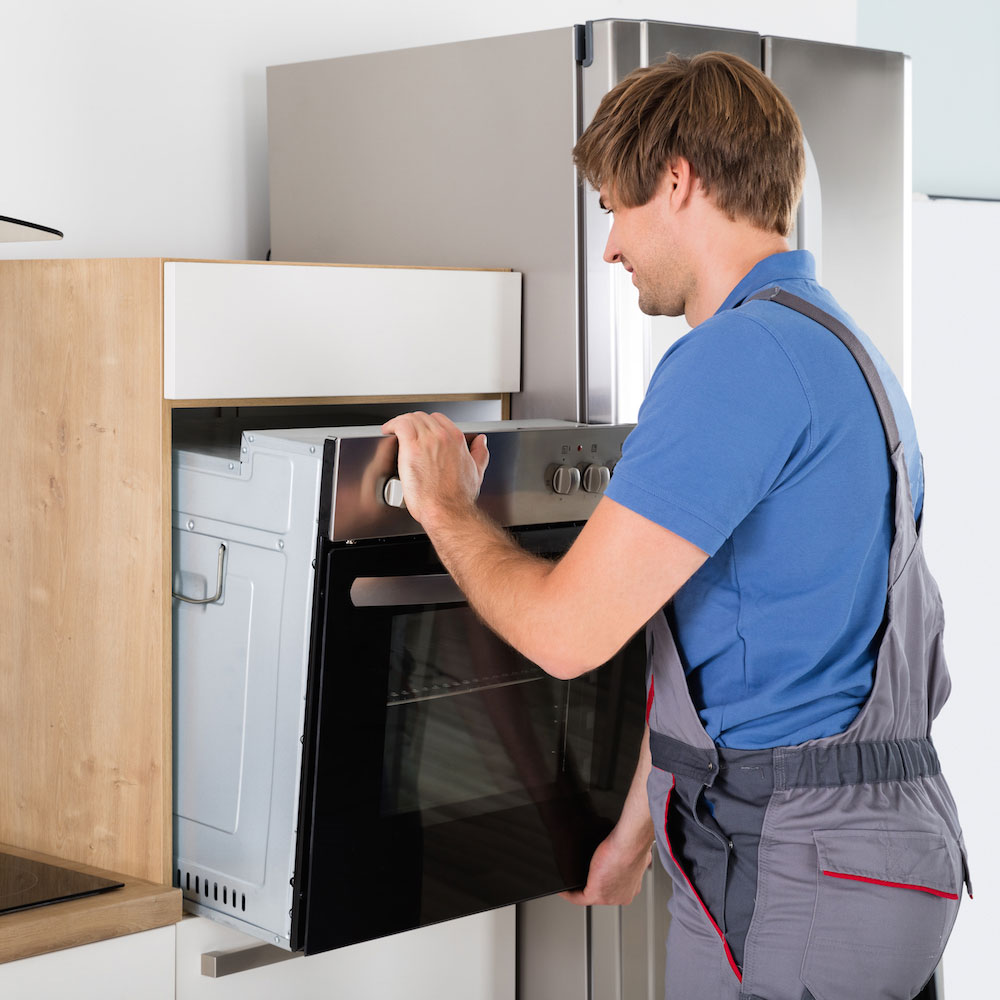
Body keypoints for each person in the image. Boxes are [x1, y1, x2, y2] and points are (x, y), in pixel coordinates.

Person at [382, 52, 968, 1000]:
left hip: (799, 860)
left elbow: (567, 635)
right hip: (863, 854)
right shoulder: (836, 345)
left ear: (679, 182)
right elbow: (733, 651)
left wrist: (447, 511)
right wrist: (631, 836)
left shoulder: (736, 360)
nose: (608, 246)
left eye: (614, 207)